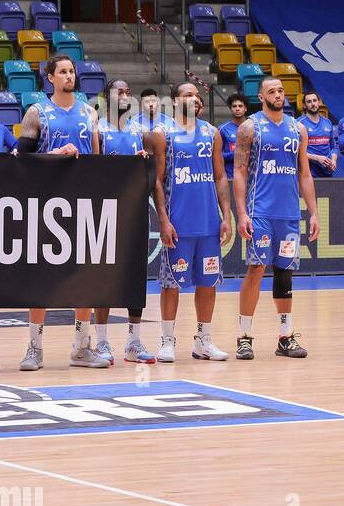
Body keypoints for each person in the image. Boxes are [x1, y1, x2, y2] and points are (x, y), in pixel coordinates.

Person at [14, 54, 108, 370]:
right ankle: (34, 348)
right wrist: (52, 154)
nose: (69, 76)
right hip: (46, 204)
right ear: (50, 77)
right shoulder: (36, 113)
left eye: (72, 71)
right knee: (41, 278)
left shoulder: (90, 113)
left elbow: (96, 159)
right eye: (63, 72)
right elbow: (20, 160)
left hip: (82, 203)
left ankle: (82, 347)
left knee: (86, 277)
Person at [232, 76, 320, 360]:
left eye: (281, 90)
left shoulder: (298, 129)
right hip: (260, 213)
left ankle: (285, 337)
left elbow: (304, 174)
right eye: (272, 90)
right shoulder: (250, 127)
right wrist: (242, 212)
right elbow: (240, 172)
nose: (278, 94)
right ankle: (244, 336)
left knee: (285, 272)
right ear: (260, 96)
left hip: (289, 215)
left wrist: (314, 212)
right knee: (256, 269)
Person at [149, 81, 231, 363]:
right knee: (171, 284)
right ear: (174, 101)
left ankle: (203, 341)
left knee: (208, 283)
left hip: (208, 224)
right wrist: (163, 219)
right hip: (179, 224)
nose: (195, 99)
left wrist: (226, 216)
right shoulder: (162, 134)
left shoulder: (212, 133)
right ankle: (168, 341)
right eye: (188, 95)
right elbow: (157, 181)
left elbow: (220, 176)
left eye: (197, 95)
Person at [92, 88, 153, 365]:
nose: (126, 96)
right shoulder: (99, 129)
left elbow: (148, 170)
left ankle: (133, 341)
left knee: (134, 277)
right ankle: (102, 341)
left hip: (133, 208)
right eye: (120, 91)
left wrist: (142, 161)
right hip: (105, 210)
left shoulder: (138, 129)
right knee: (103, 278)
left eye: (129, 92)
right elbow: (93, 167)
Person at [299, 91, 337, 177]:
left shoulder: (328, 122)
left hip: (327, 172)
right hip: (309, 174)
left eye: (314, 100)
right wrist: (317, 158)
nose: (313, 104)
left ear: (319, 102)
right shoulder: (299, 124)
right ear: (304, 105)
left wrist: (333, 160)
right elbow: (297, 151)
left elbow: (334, 147)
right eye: (309, 101)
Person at [219, 93, 248, 182]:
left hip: (251, 177)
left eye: (240, 106)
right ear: (231, 109)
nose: (237, 109)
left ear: (245, 108)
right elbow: (217, 156)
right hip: (230, 177)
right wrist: (235, 154)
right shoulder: (222, 129)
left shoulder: (254, 126)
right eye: (234, 106)